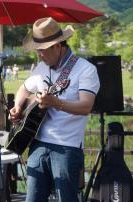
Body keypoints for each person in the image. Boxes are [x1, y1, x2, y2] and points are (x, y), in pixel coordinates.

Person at [9, 17, 100, 202]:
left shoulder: (85, 69)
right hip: (38, 144)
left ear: (57, 46)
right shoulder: (42, 67)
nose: (39, 55)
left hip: (67, 148)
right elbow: (24, 89)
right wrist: (18, 106)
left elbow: (86, 106)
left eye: (42, 51)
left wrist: (54, 103)